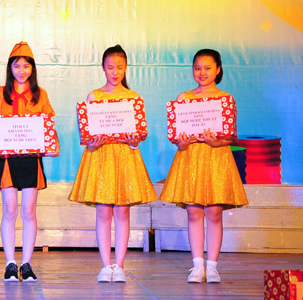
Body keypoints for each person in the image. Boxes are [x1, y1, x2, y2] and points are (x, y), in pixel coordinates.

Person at [68, 45, 157, 282]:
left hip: (126, 158)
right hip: (101, 158)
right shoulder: (94, 97)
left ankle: (120, 266)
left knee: (123, 211)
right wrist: (92, 143)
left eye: (119, 67)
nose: (115, 72)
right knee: (103, 211)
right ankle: (105, 265)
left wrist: (134, 141)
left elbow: (139, 134)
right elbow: (88, 137)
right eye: (110, 67)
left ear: (126, 67)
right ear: (103, 68)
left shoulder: (133, 98)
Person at [159, 49, 248, 283]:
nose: (202, 73)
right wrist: (182, 142)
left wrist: (215, 141)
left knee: (214, 214)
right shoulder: (184, 98)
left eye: (208, 68)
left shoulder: (225, 99)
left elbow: (230, 137)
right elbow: (176, 136)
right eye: (197, 68)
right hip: (191, 158)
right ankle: (197, 266)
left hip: (217, 158)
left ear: (218, 69)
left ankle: (213, 266)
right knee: (194, 212)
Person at [0, 41, 60, 282]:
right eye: (17, 66)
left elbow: (48, 125)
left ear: (32, 69)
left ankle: (26, 263)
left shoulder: (41, 94)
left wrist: (52, 145)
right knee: (9, 210)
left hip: (31, 161)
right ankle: (9, 263)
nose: (21, 71)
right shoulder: (0, 93)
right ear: (10, 68)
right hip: (7, 160)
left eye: (26, 66)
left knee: (28, 211)